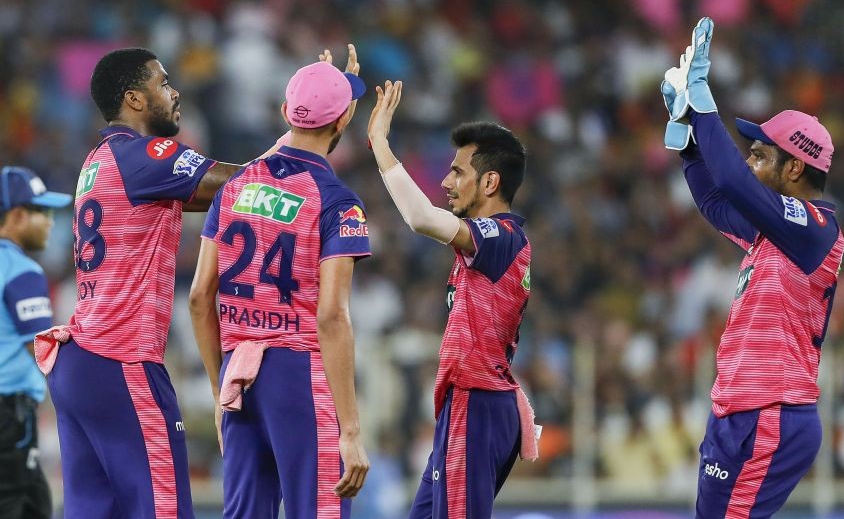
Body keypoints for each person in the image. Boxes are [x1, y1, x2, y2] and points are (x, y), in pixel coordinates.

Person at [35, 47, 273, 518]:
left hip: (79, 363)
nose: (175, 91)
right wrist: (306, 137)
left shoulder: (99, 160)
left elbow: (221, 193)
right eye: (163, 83)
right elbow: (244, 186)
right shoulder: (147, 155)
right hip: (122, 362)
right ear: (134, 99)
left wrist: (291, 141)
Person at [661, 17, 844, 518]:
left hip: (774, 414)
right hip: (737, 412)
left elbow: (733, 183)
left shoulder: (816, 230)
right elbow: (716, 201)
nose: (751, 164)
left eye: (761, 156)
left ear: (794, 169)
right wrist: (686, 134)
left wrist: (702, 100)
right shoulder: (775, 234)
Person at [189, 50, 370, 518]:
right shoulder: (338, 202)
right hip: (300, 376)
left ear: (284, 113)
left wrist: (219, 389)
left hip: (238, 375)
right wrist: (349, 430)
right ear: (345, 118)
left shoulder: (235, 188)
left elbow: (198, 297)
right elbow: (331, 315)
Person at [366, 82, 539, 519]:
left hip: (477, 402)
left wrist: (380, 145)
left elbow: (420, 217)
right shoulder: (483, 249)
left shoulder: (501, 236)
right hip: (472, 404)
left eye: (458, 171)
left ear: (490, 181)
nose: (446, 181)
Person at [0, 167, 71, 519]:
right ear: (15, 215)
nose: (50, 221)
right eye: (40, 212)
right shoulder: (21, 270)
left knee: (35, 502)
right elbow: (42, 350)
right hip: (7, 413)